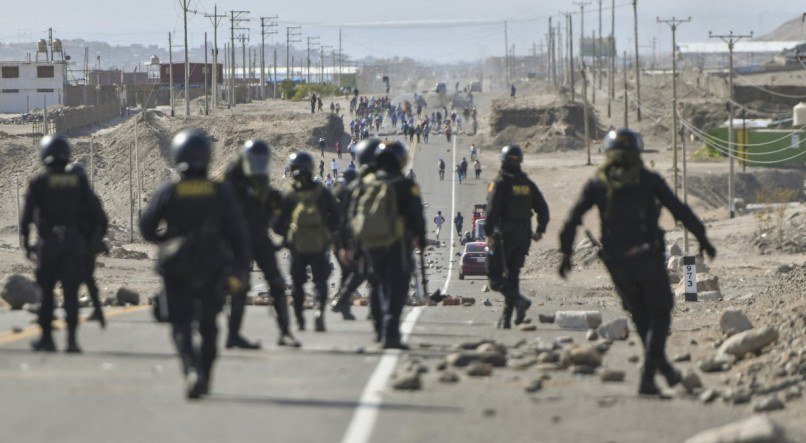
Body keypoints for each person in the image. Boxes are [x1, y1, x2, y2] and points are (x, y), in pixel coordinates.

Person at [558, 128, 717, 397]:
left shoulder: (598, 183)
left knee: (642, 318)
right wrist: (703, 239)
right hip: (646, 258)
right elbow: (680, 210)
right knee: (660, 313)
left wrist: (565, 256)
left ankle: (665, 371)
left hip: (617, 265)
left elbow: (572, 220)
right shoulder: (648, 179)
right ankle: (647, 378)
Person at [140, 129, 250, 399]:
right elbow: (239, 233)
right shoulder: (220, 190)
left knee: (180, 323)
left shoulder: (169, 189)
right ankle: (206, 376)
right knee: (210, 325)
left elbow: (146, 227)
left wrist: (167, 239)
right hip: (213, 266)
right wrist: (241, 268)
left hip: (177, 266)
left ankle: (191, 369)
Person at [22, 135, 106, 353]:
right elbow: (97, 214)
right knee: (71, 293)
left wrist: (26, 244)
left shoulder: (38, 182)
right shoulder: (78, 181)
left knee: (47, 293)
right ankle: (71, 341)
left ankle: (47, 339)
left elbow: (26, 217)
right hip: (74, 244)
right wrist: (90, 240)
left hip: (48, 244)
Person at [221, 140, 300, 349]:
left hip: (260, 239)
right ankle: (233, 335)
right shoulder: (231, 185)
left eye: (261, 162)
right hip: (239, 241)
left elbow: (278, 218)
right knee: (240, 286)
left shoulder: (263, 186)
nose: (258, 166)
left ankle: (285, 332)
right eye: (254, 162)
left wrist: (284, 231)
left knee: (276, 283)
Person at [351, 140, 425, 348]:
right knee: (397, 288)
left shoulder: (366, 183)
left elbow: (353, 215)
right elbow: (417, 215)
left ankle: (377, 330)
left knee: (376, 285)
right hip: (397, 245)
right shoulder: (405, 185)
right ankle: (391, 334)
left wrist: (356, 245)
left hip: (370, 244)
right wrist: (420, 237)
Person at [485, 145, 550, 329]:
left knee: (495, 278)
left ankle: (519, 301)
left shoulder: (499, 183)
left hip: (504, 234)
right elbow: (543, 208)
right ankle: (506, 319)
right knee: (513, 276)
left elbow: (491, 211)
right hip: (524, 235)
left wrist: (488, 234)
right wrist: (540, 230)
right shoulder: (527, 184)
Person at [275, 151, 341, 332]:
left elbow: (277, 224)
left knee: (297, 283)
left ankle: (299, 318)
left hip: (297, 246)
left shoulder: (289, 195)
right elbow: (337, 216)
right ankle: (319, 310)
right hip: (319, 244)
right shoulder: (322, 192)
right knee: (320, 280)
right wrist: (329, 235)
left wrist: (288, 236)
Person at [330, 139, 382, 324]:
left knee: (362, 273)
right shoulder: (366, 185)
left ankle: (343, 302)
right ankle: (345, 301)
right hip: (363, 239)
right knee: (369, 275)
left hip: (352, 239)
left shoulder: (352, 187)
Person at [66, 162, 109, 329]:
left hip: (77, 245)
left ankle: (76, 311)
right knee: (88, 279)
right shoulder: (90, 197)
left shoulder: (70, 199)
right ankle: (97, 311)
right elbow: (103, 222)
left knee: (74, 279)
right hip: (86, 245)